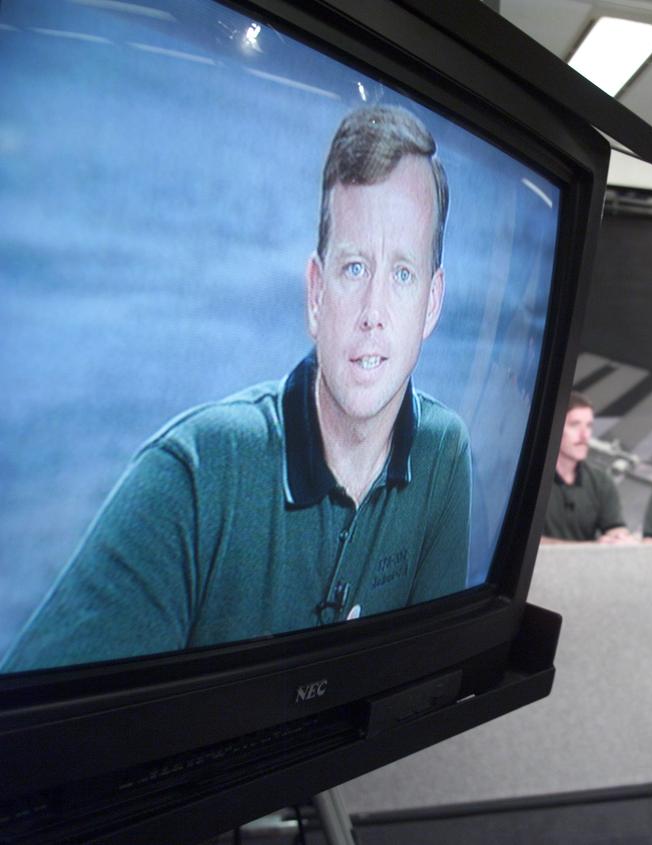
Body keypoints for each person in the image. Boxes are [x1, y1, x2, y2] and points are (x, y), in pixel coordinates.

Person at [4, 105, 471, 671]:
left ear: (432, 303)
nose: (374, 312)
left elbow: (425, 681)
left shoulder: (445, 453)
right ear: (315, 294)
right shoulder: (191, 475)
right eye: (353, 268)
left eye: (402, 274)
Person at [541, 392, 634, 544]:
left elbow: (615, 526)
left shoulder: (601, 481)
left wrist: (620, 538)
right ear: (553, 427)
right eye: (575, 425)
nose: (585, 436)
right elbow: (522, 543)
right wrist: (591, 547)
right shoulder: (527, 480)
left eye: (589, 426)